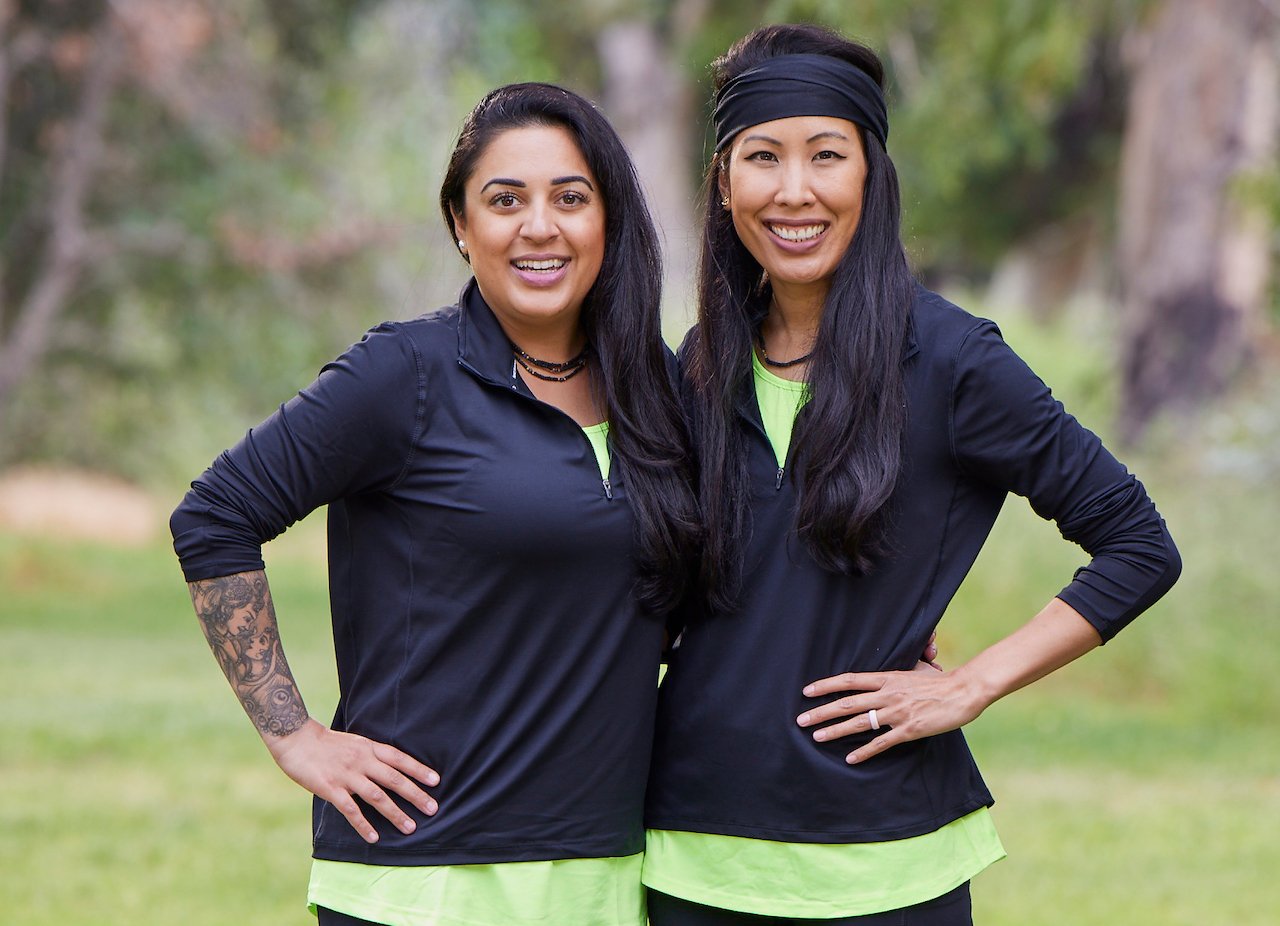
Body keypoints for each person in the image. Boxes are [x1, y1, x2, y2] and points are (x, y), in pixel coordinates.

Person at [642, 24, 1181, 925]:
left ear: (870, 177)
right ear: (726, 183)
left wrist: (971, 683)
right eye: (763, 157)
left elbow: (1138, 545)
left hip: (891, 866)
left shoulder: (954, 361)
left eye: (826, 155)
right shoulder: (701, 363)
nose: (794, 190)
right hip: (689, 858)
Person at [170, 82, 700, 926]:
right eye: (504, 200)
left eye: (571, 197)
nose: (540, 226)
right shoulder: (405, 375)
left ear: (609, 220)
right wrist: (294, 733)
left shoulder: (660, 392)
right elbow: (214, 516)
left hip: (607, 874)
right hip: (427, 878)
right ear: (461, 224)